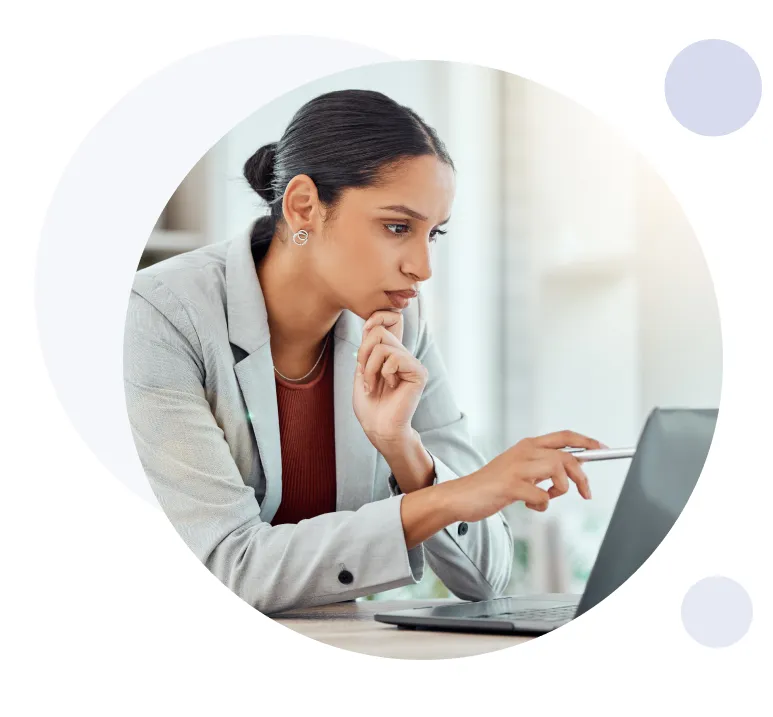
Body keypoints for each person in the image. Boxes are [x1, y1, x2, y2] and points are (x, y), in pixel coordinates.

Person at [123, 88, 604, 616]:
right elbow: (227, 567)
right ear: (304, 205)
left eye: (433, 234)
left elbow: (487, 582)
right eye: (397, 227)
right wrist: (444, 498)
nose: (422, 267)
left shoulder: (400, 323)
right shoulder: (162, 316)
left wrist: (403, 448)